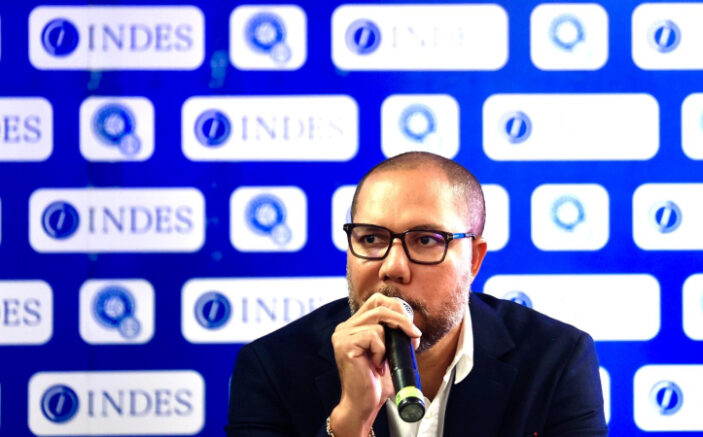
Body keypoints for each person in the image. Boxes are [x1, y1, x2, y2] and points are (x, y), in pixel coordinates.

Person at [226, 151, 607, 437]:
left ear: (474, 259)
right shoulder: (271, 366)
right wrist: (351, 422)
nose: (392, 267)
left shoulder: (555, 358)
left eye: (426, 240)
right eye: (371, 239)